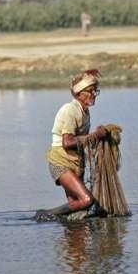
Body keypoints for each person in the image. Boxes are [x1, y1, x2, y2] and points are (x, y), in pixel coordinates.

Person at [37, 69, 107, 219]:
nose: (94, 94)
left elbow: (83, 139)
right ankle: (45, 214)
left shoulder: (85, 112)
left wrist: (100, 138)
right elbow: (67, 142)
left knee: (77, 208)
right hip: (60, 162)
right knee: (86, 200)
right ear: (79, 93)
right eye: (90, 91)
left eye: (96, 91)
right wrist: (94, 135)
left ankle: (72, 236)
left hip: (76, 161)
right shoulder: (71, 110)